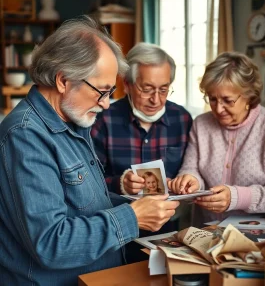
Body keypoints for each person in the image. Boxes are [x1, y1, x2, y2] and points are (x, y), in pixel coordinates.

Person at [0, 15, 180, 286]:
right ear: (63, 80)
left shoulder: (73, 122)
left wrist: (139, 206)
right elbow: (51, 243)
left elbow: (82, 204)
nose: (107, 104)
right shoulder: (26, 136)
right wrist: (133, 217)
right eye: (102, 91)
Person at [168, 51, 265, 228]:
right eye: (212, 99)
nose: (218, 109)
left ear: (248, 95)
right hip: (207, 230)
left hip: (258, 234)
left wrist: (237, 198)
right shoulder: (201, 123)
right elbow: (192, 168)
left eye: (227, 100)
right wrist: (190, 179)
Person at [91, 42, 193, 196]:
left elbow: (190, 169)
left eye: (164, 90)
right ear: (127, 84)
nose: (156, 100)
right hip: (120, 216)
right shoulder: (103, 120)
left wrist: (183, 182)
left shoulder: (182, 119)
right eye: (147, 90)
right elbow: (89, 180)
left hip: (169, 217)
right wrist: (120, 183)